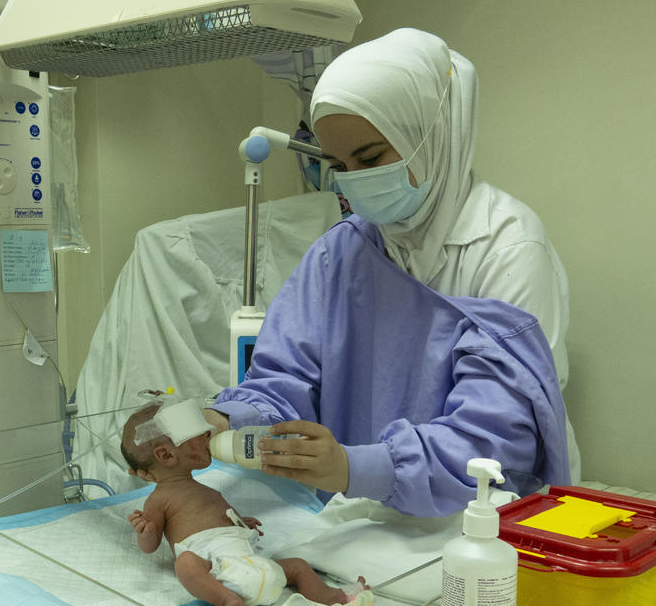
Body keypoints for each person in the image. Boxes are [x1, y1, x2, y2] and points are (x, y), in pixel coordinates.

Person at [204, 28, 574, 517]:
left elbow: (494, 442)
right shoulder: (342, 253)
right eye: (338, 164)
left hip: (482, 526)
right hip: (359, 514)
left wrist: (355, 469)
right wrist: (221, 421)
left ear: (432, 133)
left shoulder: (505, 247)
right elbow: (283, 380)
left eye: (371, 158)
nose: (356, 182)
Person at [121, 404, 361, 606]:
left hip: (254, 565)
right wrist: (146, 531)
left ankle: (330, 595)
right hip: (218, 570)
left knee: (298, 566)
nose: (209, 434)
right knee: (185, 564)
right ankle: (227, 599)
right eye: (198, 434)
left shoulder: (202, 487)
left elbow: (215, 517)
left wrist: (240, 522)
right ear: (166, 455)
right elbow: (150, 546)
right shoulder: (159, 498)